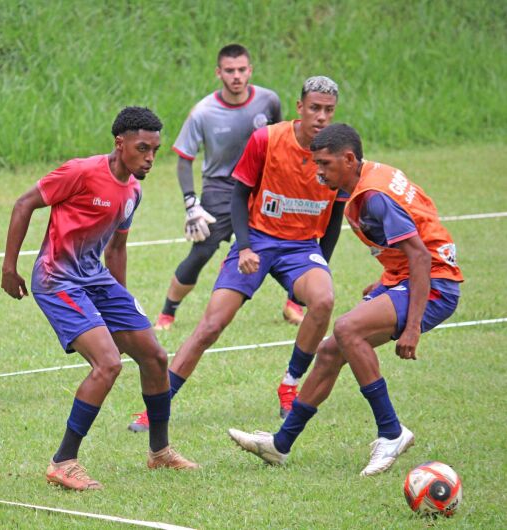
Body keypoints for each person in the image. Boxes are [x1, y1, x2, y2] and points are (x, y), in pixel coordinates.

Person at [228, 123, 463, 476]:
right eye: (316, 164)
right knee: (328, 351)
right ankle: (280, 445)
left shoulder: (373, 195)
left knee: (347, 328)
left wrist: (412, 326)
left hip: (435, 285)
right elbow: (420, 228)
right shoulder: (370, 179)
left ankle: (391, 431)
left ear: (349, 159)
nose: (318, 172)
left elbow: (421, 257)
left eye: (325, 164)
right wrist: (386, 280)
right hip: (410, 279)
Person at [129, 77, 345, 431]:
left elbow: (336, 216)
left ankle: (289, 387)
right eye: (315, 108)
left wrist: (322, 263)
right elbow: (238, 195)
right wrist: (244, 245)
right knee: (211, 325)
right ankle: (158, 405)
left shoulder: (339, 151)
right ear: (299, 107)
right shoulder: (268, 139)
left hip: (302, 248)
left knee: (323, 300)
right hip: (257, 240)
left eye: (328, 110)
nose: (321, 116)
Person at [1, 107, 199, 491]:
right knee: (108, 364)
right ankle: (63, 462)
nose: (150, 159)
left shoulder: (133, 191)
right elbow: (24, 204)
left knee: (155, 357)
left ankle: (159, 452)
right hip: (57, 279)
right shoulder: (80, 171)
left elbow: (117, 248)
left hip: (98, 281)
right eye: (143, 148)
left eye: (155, 150)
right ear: (119, 143)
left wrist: (120, 306)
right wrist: (10, 268)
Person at [153, 44, 305, 336]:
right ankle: (167, 313)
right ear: (218, 73)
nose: (236, 76)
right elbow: (184, 160)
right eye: (229, 70)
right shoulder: (203, 112)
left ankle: (294, 305)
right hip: (220, 189)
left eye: (241, 70)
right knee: (202, 251)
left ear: (250, 70)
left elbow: (279, 141)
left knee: (285, 244)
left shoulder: (268, 100)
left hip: (262, 187)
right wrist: (191, 204)